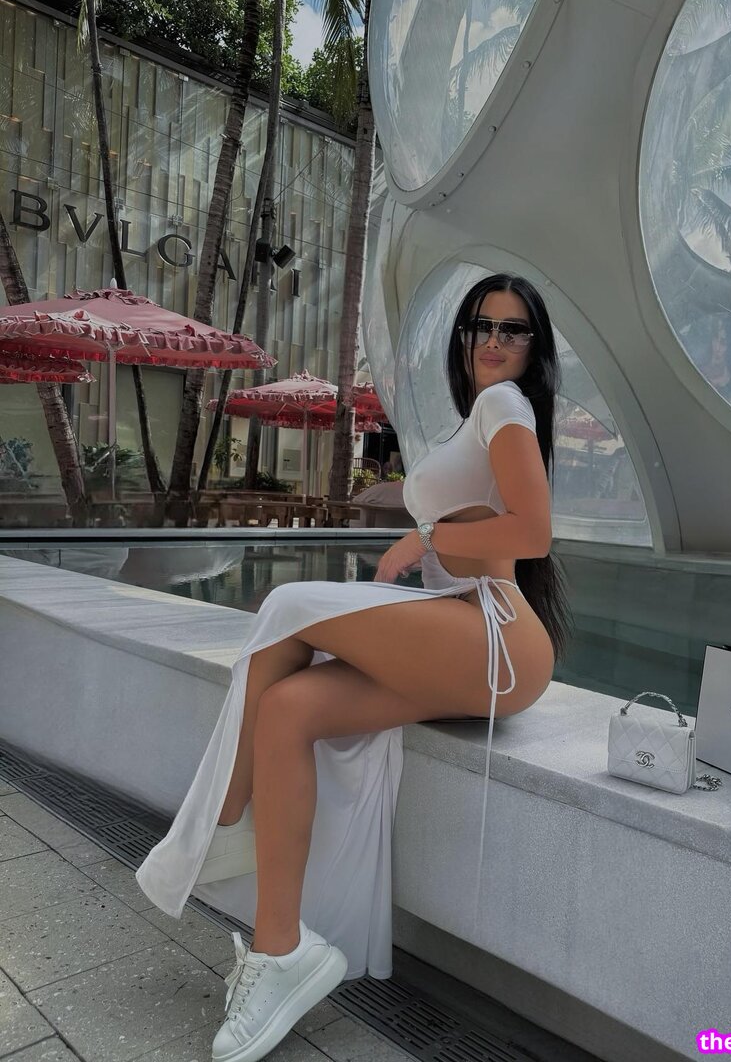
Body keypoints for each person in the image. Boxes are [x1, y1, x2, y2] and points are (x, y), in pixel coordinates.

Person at [134, 272, 573, 1062]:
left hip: (496, 636)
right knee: (289, 710)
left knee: (287, 605)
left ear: (533, 348)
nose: (493, 342)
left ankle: (221, 824)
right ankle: (280, 951)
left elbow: (532, 531)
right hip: (464, 639)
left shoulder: (506, 405)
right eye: (479, 326)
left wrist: (423, 538)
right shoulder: (480, 416)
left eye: (512, 330)